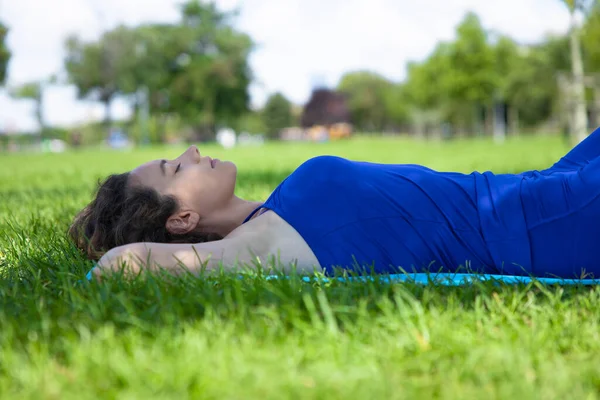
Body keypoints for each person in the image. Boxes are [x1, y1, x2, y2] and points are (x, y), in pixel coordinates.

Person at [71, 127, 600, 281]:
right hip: (543, 224)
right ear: (182, 219)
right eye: (173, 170)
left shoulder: (273, 211)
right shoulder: (263, 244)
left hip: (542, 186)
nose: (190, 152)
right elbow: (126, 266)